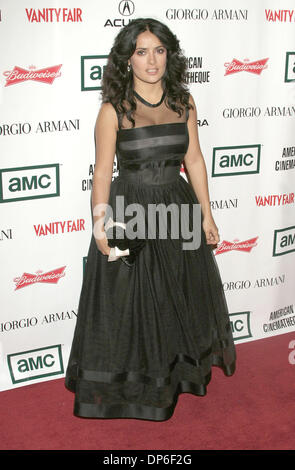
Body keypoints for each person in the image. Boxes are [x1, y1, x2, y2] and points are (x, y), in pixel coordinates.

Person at [65, 18, 236, 421]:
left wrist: (207, 215)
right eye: (141, 52)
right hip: (133, 214)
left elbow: (193, 160)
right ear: (127, 60)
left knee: (176, 296)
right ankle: (135, 385)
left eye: (158, 50)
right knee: (134, 303)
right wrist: (100, 223)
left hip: (177, 210)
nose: (151, 60)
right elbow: (102, 172)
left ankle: (174, 376)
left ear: (168, 54)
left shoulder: (184, 101)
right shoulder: (114, 111)